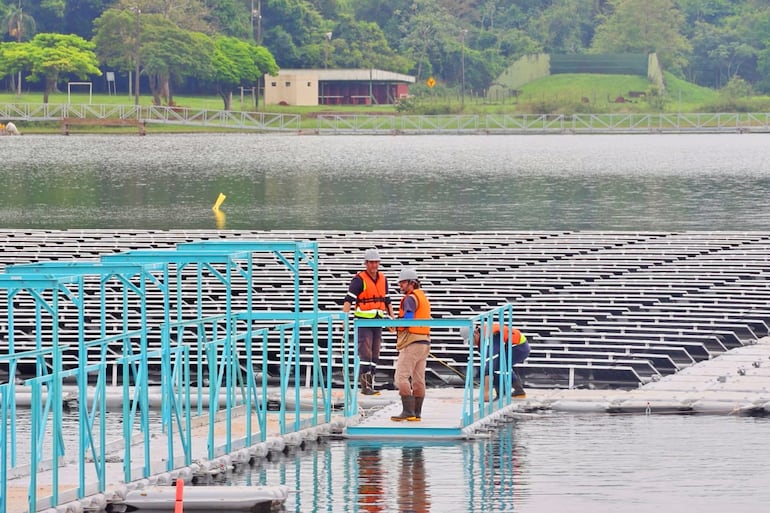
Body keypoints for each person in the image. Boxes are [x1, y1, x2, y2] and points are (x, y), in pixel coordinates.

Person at [343, 247, 394, 395]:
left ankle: (371, 385)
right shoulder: (359, 279)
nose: (374, 265)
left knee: (375, 354)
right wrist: (344, 319)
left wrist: (392, 320)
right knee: (365, 354)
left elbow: (387, 300)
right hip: (364, 321)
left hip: (378, 321)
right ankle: (365, 387)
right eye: (371, 262)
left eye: (376, 262)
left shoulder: (383, 279)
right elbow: (348, 299)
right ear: (366, 263)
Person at [391, 267, 431, 422]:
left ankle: (408, 411)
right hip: (424, 342)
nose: (400, 286)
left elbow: (408, 318)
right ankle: (416, 413)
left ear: (411, 283)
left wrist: (395, 324)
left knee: (400, 377)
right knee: (418, 379)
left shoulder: (410, 298)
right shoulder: (422, 297)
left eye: (402, 283)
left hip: (412, 342)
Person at [462, 323, 530, 400]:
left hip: (519, 347)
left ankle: (502, 395)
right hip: (516, 345)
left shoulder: (490, 336)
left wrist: (485, 393)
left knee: (498, 366)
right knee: (501, 365)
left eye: (471, 341)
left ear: (476, 333)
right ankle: (517, 391)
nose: (472, 344)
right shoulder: (484, 335)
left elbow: (489, 367)